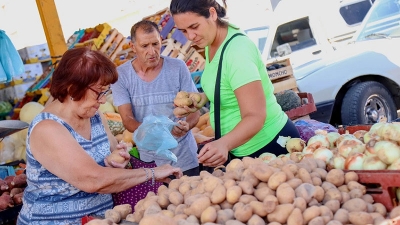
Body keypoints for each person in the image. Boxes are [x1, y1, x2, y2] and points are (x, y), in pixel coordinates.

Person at [17, 47, 182, 225]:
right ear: (73, 89)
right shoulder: (47, 128)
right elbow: (93, 179)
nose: (103, 100)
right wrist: (151, 173)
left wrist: (116, 160)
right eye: (99, 92)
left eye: (106, 92)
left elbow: (111, 159)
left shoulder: (94, 116)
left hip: (100, 219)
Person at [170, 0, 301, 167]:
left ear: (212, 13)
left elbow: (255, 116)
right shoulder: (212, 42)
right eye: (183, 31)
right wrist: (202, 98)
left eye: (194, 26)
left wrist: (223, 144)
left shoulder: (237, 52)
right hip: (244, 150)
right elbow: (227, 85)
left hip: (270, 146)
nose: (190, 36)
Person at [111, 20, 201, 176]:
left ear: (161, 40)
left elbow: (195, 111)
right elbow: (127, 119)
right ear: (133, 47)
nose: (152, 51)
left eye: (155, 44)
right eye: (145, 46)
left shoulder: (178, 67)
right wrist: (156, 131)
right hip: (151, 166)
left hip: (185, 159)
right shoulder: (122, 76)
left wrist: (188, 125)